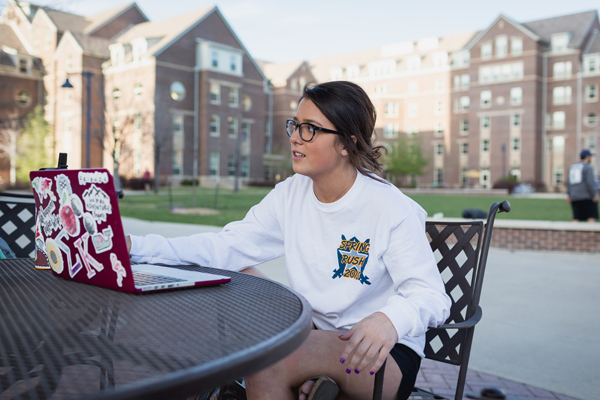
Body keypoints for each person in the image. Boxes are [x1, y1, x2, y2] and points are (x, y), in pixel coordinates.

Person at [127, 81, 450, 400]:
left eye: (310, 129)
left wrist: (390, 320)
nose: (295, 137)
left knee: (266, 361)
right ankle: (306, 378)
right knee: (232, 275)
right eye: (295, 125)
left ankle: (290, 376)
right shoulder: (290, 194)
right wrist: (136, 248)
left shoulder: (391, 207)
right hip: (310, 330)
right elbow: (225, 247)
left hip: (381, 352)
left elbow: (432, 295)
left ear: (346, 143)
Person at [566, 149, 599, 222]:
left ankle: (573, 232)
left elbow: (569, 182)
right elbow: (590, 182)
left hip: (574, 196)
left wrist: (569, 194)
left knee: (576, 217)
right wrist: (594, 194)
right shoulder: (587, 167)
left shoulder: (572, 167)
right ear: (587, 157)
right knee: (591, 217)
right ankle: (591, 233)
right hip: (586, 196)